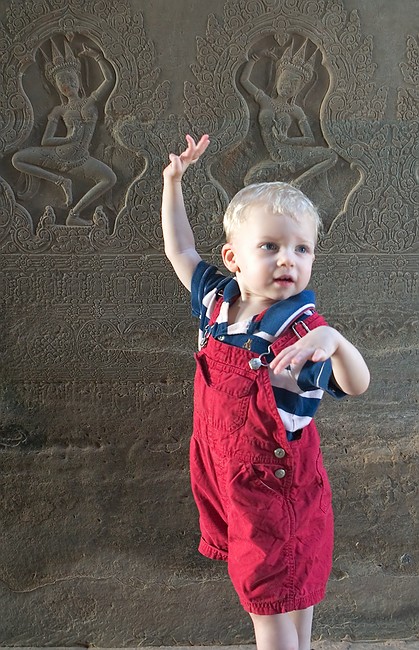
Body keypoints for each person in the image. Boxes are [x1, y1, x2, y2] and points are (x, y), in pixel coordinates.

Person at [161, 134, 370, 650]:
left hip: (278, 486)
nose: (287, 261)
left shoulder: (302, 328)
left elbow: (356, 384)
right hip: (224, 471)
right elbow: (180, 248)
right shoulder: (216, 301)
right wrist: (173, 183)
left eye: (302, 249)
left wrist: (335, 340)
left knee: (271, 600)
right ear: (232, 258)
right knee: (288, 594)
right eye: (270, 246)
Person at [12, 40, 116, 226]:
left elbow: (109, 80)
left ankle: (74, 215)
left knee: (109, 178)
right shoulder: (59, 110)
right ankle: (60, 181)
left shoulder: (90, 101)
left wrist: (97, 56)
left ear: (78, 77)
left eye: (70, 79)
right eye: (62, 82)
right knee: (17, 159)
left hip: (82, 159)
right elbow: (45, 140)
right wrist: (68, 138)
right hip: (59, 154)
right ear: (56, 86)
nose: (67, 84)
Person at [240, 45, 337, 192]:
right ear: (278, 78)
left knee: (331, 156)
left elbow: (309, 139)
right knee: (250, 181)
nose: (288, 85)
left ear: (299, 89)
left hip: (293, 156)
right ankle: (278, 192)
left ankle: (297, 183)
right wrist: (255, 57)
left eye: (294, 83)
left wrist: (287, 140)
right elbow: (244, 80)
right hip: (276, 159)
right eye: (286, 79)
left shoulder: (296, 111)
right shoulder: (265, 101)